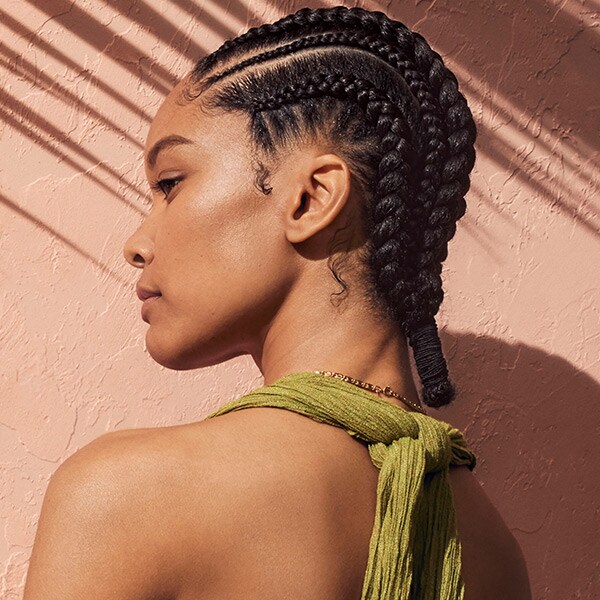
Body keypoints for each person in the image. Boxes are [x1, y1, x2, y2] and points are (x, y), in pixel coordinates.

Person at [23, 5, 532, 600]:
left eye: (170, 184)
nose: (137, 245)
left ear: (311, 199)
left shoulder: (127, 495)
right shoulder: (491, 547)